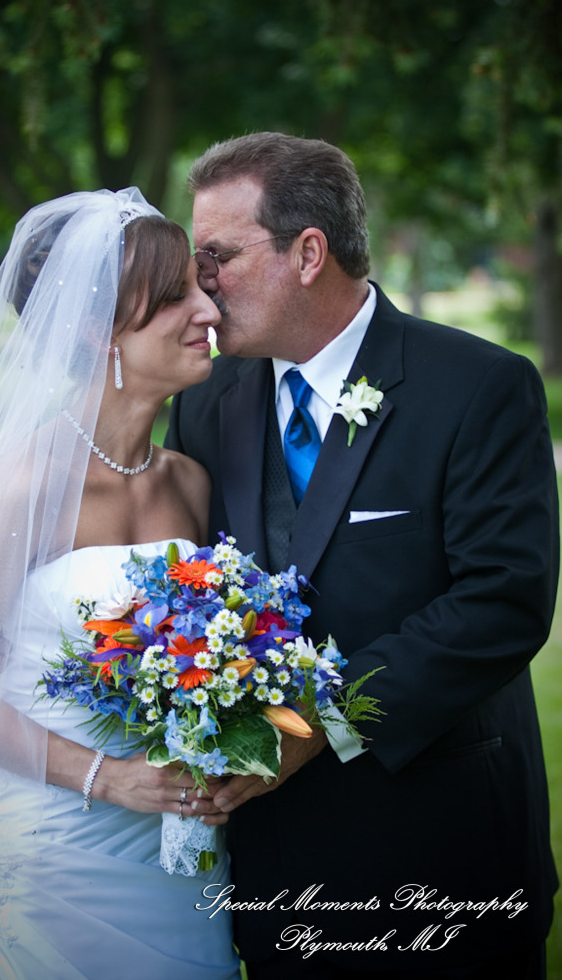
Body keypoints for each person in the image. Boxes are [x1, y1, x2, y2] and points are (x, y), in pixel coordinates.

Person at [166, 132, 559, 979]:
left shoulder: (477, 387)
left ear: (308, 253)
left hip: (441, 849)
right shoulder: (206, 406)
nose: (199, 284)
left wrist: (320, 722)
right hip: (273, 871)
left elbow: (502, 600)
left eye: (218, 257)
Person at [0, 187, 241, 980]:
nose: (208, 310)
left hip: (177, 865)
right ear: (96, 329)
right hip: (50, 857)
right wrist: (105, 778)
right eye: (175, 296)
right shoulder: (23, 489)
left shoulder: (189, 482)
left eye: (201, 287)